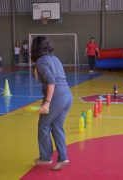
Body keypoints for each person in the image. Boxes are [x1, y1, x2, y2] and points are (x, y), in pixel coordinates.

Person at [31, 36, 73, 170]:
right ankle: (63, 158)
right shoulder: (55, 59)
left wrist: (47, 103)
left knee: (43, 125)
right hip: (67, 95)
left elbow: (51, 81)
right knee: (57, 126)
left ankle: (45, 158)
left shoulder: (40, 62)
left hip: (56, 97)